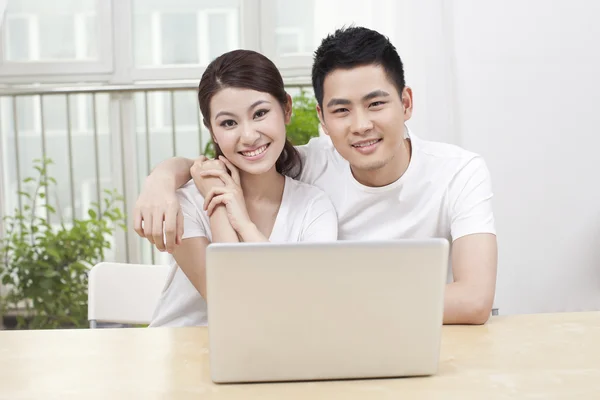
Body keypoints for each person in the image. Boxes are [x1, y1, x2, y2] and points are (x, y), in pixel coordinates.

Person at [135, 26, 498, 325]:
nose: (361, 126)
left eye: (376, 104)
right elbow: (234, 164)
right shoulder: (315, 165)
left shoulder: (458, 172)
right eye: (341, 110)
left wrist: (325, 299)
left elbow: (474, 300)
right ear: (322, 120)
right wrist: (162, 180)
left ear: (406, 103)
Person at [148, 49, 338, 327]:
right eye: (228, 123)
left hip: (269, 355)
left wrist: (244, 223)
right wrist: (220, 208)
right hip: (180, 353)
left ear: (286, 108)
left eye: (260, 113)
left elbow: (304, 304)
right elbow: (231, 307)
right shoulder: (185, 203)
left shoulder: (313, 206)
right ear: (212, 130)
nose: (248, 136)